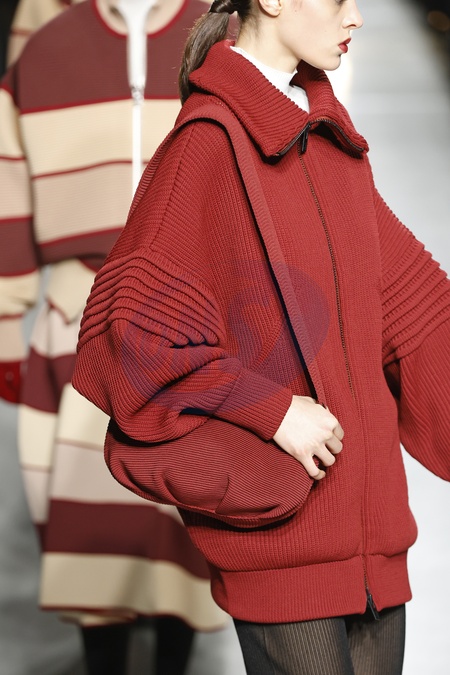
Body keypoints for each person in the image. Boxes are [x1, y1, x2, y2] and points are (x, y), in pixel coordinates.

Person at [72, 0, 450, 673]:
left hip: (376, 544)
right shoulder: (207, 144)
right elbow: (129, 342)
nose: (356, 17)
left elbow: (417, 318)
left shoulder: (331, 140)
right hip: (284, 547)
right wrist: (271, 410)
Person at [0, 1, 229, 674]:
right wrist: (8, 327)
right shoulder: (48, 49)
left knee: (184, 529)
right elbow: (9, 194)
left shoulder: (220, 39)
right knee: (88, 535)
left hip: (198, 325)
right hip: (78, 324)